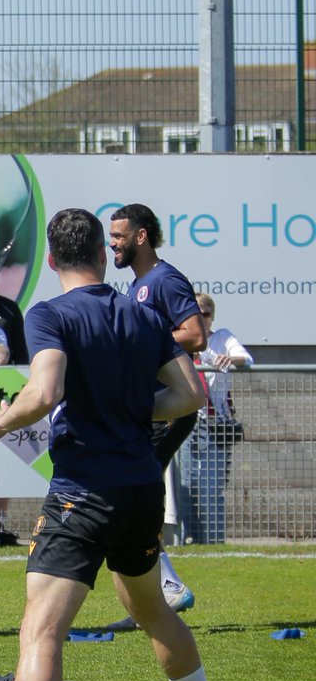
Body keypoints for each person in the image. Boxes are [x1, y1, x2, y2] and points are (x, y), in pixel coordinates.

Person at [0, 208, 228, 681]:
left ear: (51, 261)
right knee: (153, 609)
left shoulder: (52, 314)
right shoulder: (143, 314)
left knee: (41, 629)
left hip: (82, 492)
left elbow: (45, 390)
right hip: (140, 489)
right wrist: (131, 412)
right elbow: (187, 395)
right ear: (104, 253)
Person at [106, 203, 205, 628]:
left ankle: (164, 589)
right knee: (129, 496)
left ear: (140, 236)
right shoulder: (137, 286)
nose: (112, 243)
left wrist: (142, 339)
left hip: (168, 407)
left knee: (130, 496)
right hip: (148, 407)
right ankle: (154, 597)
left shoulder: (164, 279)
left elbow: (195, 334)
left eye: (118, 235)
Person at [179, 293, 253, 545]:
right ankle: (190, 540)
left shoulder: (222, 338)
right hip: (187, 422)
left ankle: (213, 542)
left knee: (211, 487)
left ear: (212, 317)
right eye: (195, 312)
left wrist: (229, 359)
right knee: (186, 486)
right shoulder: (180, 339)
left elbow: (247, 359)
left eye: (206, 313)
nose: (201, 317)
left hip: (216, 423)